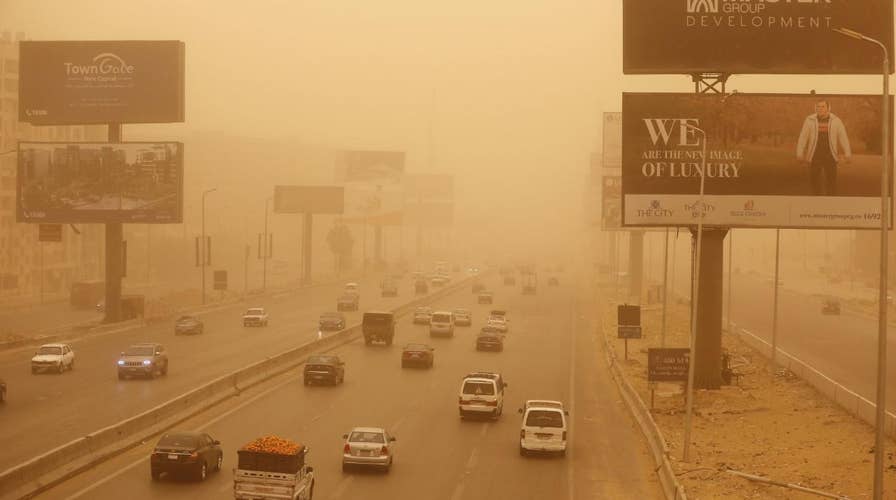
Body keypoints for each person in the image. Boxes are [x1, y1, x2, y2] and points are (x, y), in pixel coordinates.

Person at [796, 100, 852, 195]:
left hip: (830, 156)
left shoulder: (836, 121)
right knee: (814, 182)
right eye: (818, 107)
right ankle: (817, 203)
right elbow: (803, 137)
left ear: (828, 108)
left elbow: (843, 137)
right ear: (815, 108)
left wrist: (847, 154)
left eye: (823, 107)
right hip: (814, 156)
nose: (820, 109)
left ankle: (830, 204)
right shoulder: (809, 120)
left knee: (831, 182)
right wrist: (799, 153)